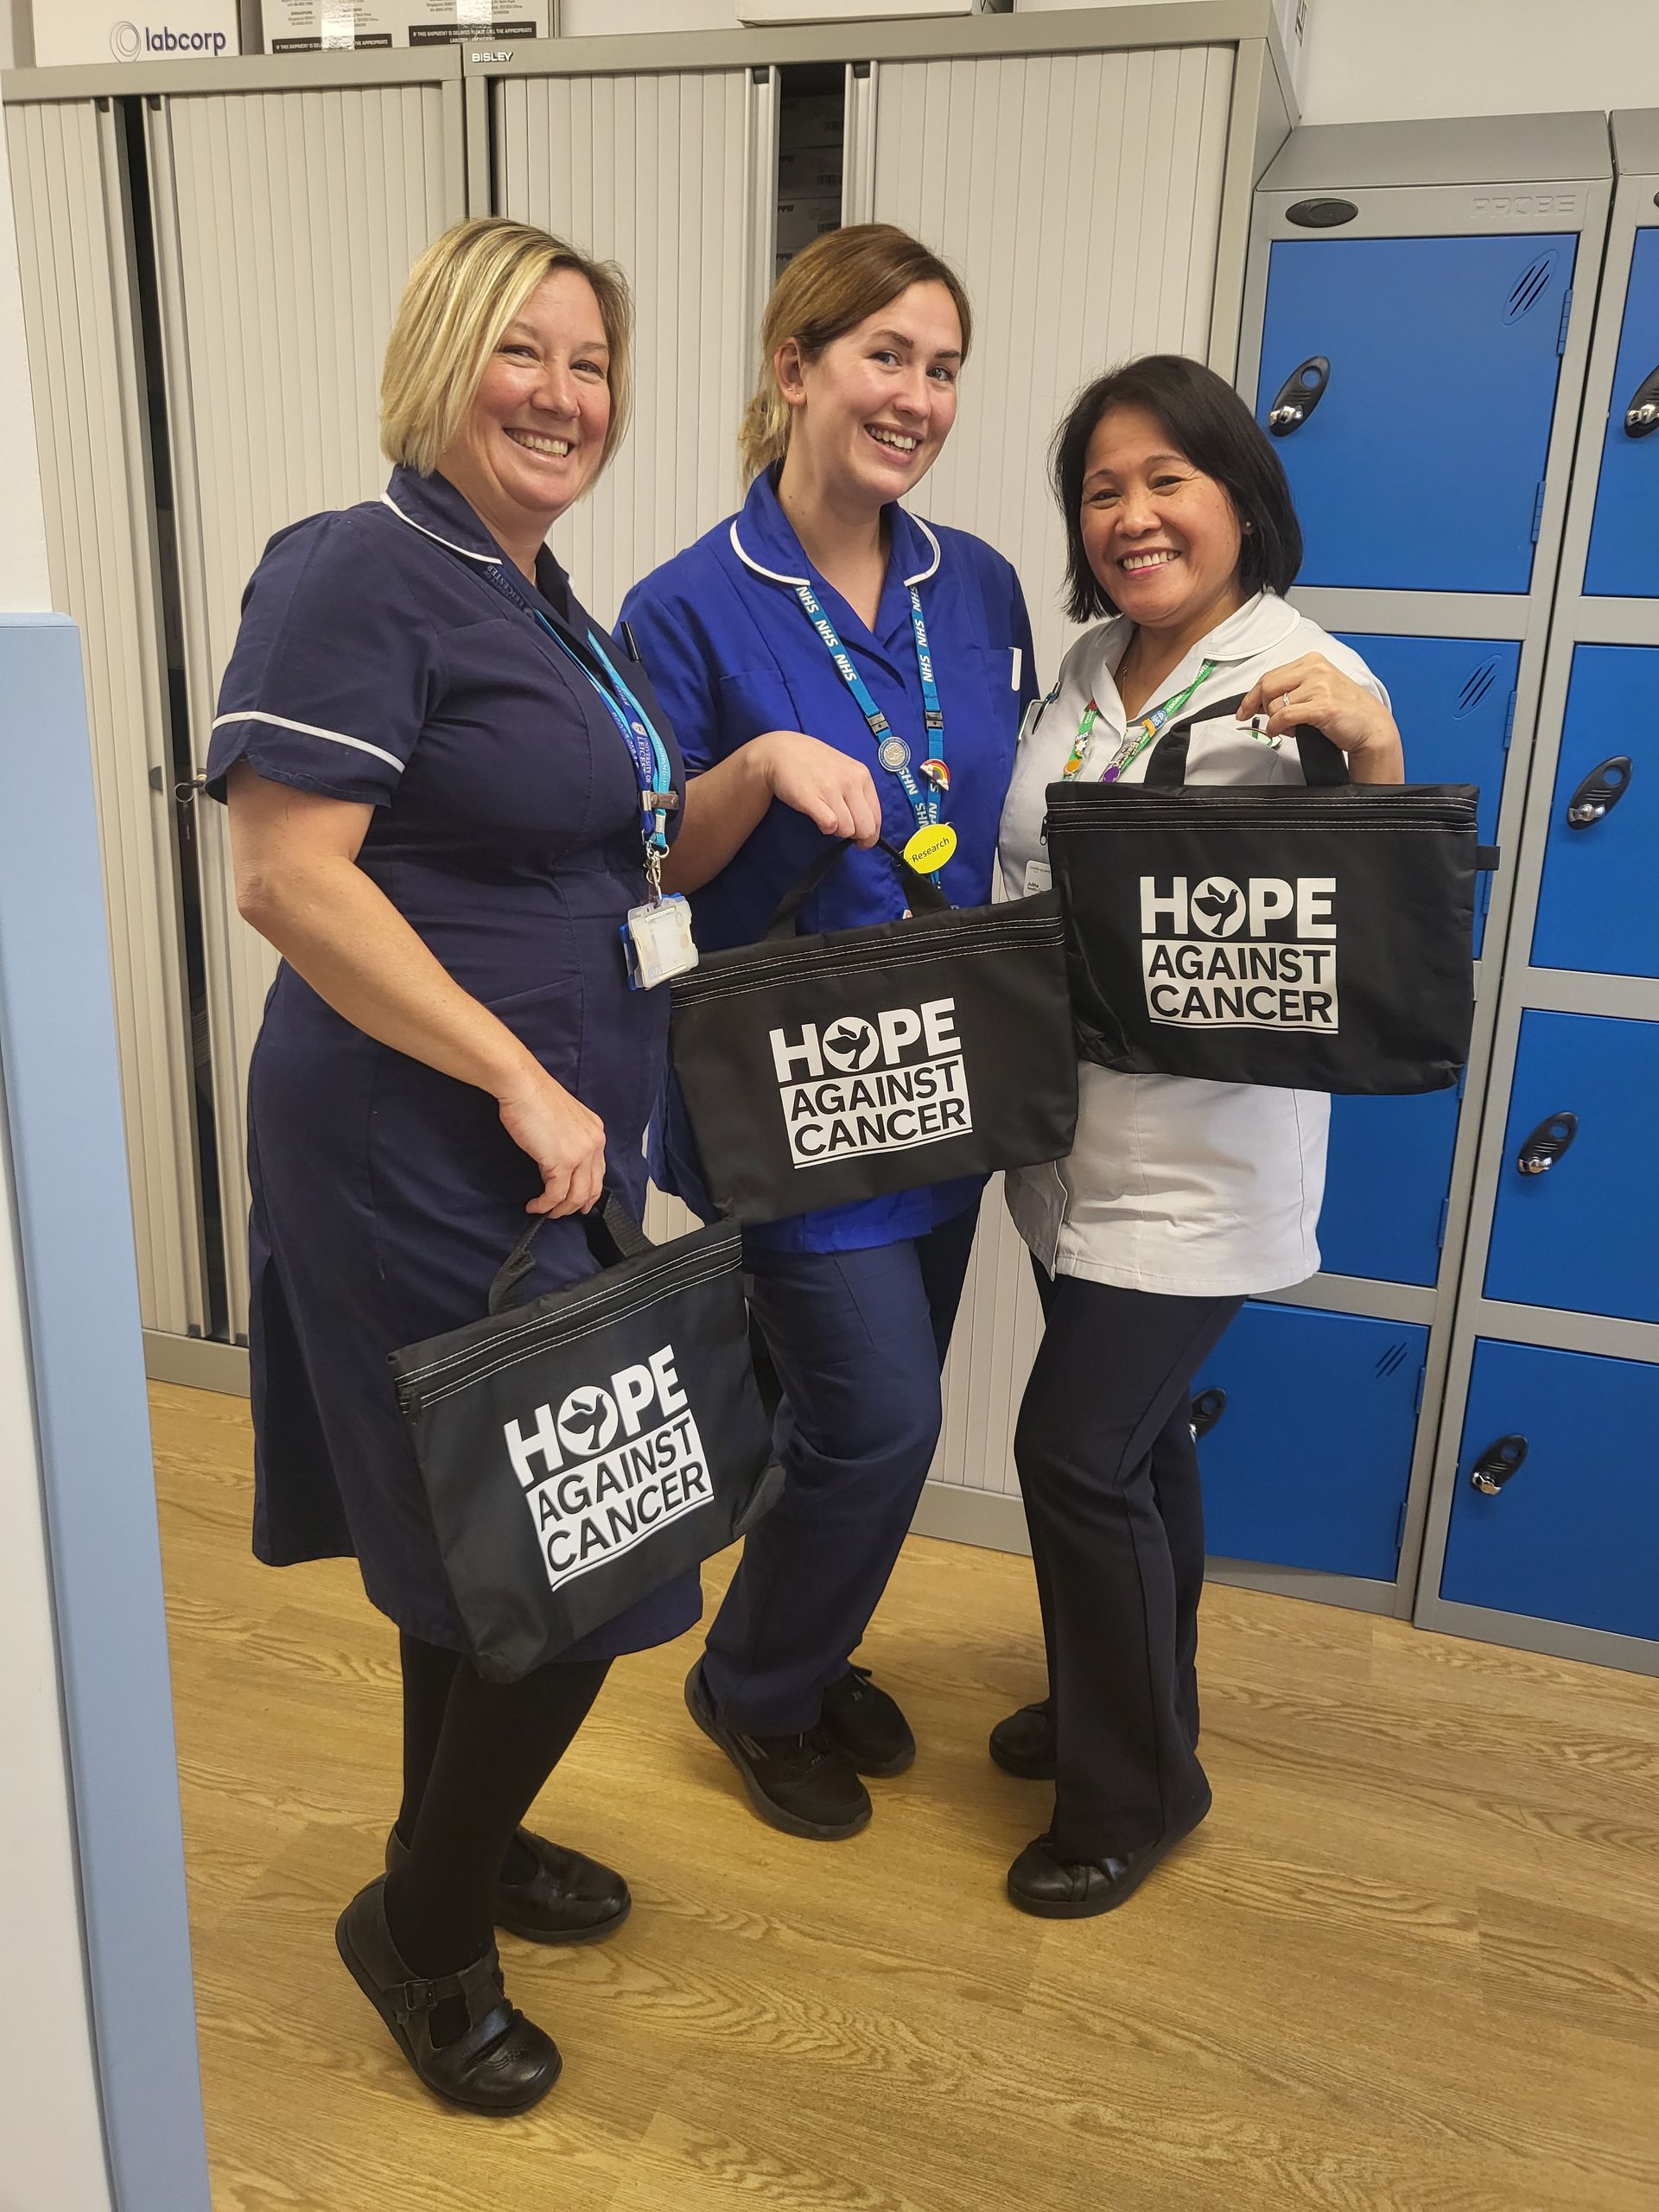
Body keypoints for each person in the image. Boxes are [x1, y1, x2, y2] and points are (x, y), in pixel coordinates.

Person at [208, 217, 699, 2113]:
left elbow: (589, 849)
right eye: (528, 352)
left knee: (483, 1536)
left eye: (592, 363)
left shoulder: (540, 593)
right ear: (440, 360)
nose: (566, 394)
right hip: (420, 1134)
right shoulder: (359, 565)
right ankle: (420, 1915)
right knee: (585, 1544)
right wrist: (517, 1075)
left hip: (550, 1134)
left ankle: (462, 1848)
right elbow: (287, 875)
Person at [620, 226, 1037, 1842]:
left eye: (942, 369)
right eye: (886, 357)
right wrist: (763, 767)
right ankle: (750, 1686)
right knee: (882, 1418)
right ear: (795, 369)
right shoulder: (688, 608)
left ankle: (814, 1639)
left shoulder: (979, 584)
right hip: (786, 1096)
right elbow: (653, 861)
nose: (918, 396)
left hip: (939, 1076)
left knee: (856, 1414)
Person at [992, 355, 1403, 1918]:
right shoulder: (1089, 666)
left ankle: (1137, 1792)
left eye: (1168, 479)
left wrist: (1371, 756)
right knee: (1142, 1452)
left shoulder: (1304, 676)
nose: (1134, 514)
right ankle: (1132, 1709)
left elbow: (1372, 937)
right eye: (1103, 489)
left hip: (1200, 1168)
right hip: (1064, 1147)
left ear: (1240, 496)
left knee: (1071, 1458)